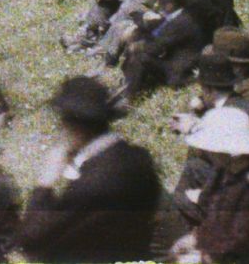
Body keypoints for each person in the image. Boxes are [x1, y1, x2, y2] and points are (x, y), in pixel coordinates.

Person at [14, 76, 161, 263]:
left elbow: (30, 239)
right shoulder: (139, 158)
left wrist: (45, 184)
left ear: (73, 126)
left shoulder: (92, 183)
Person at [173, 107, 249, 264]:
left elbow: (240, 238)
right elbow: (215, 218)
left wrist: (204, 255)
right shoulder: (225, 172)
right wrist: (196, 239)